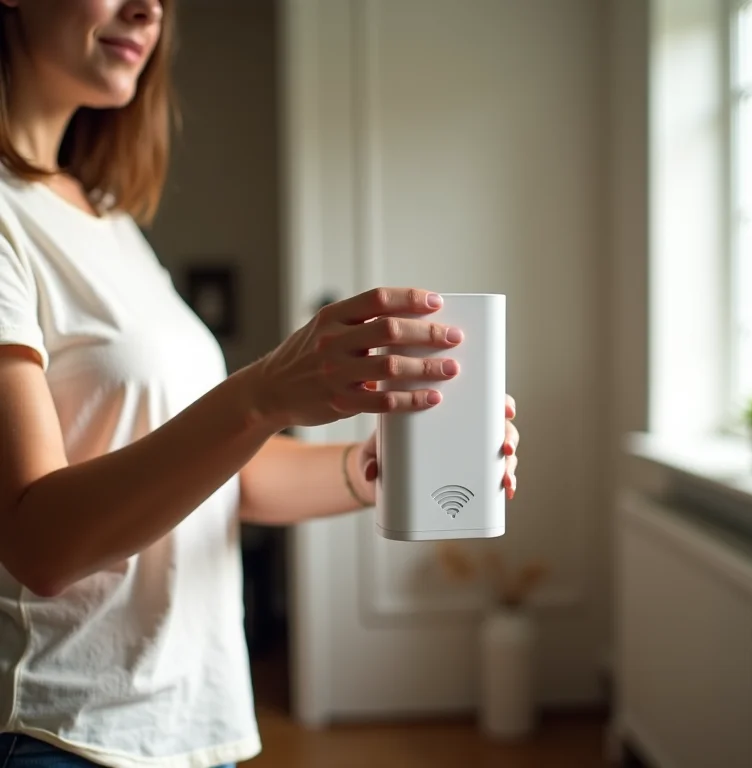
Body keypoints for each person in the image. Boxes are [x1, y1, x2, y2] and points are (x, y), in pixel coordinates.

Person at [0, 1, 520, 768]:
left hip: (191, 724)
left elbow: (215, 482)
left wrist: (372, 469)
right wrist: (263, 393)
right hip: (66, 734)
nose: (150, 8)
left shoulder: (102, 217)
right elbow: (37, 543)